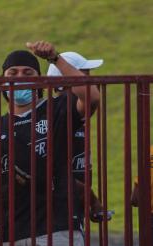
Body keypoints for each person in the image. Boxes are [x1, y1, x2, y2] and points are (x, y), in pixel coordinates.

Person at [0, 41, 100, 246]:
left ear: (41, 80)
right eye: (12, 73)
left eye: (28, 73)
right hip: (11, 234)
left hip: (58, 229)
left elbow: (91, 96)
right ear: (2, 83)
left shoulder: (58, 109)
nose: (20, 78)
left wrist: (55, 58)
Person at [48, 51, 107, 222]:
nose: (90, 79)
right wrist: (93, 200)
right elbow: (56, 174)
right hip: (59, 213)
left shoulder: (70, 111)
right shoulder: (62, 112)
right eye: (83, 74)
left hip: (71, 205)